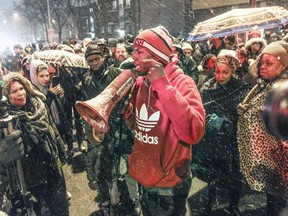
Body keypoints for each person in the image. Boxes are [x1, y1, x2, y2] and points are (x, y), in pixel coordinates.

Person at [122, 26, 206, 215]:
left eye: (139, 51)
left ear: (157, 56)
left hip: (170, 184)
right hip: (145, 178)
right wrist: (126, 113)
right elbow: (139, 128)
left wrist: (163, 86)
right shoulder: (140, 82)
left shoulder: (183, 83)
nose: (133, 55)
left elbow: (194, 132)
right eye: (134, 50)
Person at [1, 72, 69, 216]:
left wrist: (60, 154)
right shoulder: (7, 123)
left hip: (50, 165)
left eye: (21, 88)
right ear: (6, 96)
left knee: (60, 207)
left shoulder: (39, 107)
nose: (20, 93)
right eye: (14, 91)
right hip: (29, 176)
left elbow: (53, 131)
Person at [192, 49, 250, 216]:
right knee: (211, 174)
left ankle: (233, 204)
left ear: (233, 71)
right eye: (217, 71)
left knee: (234, 175)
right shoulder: (207, 88)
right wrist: (211, 118)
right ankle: (209, 203)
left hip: (231, 141)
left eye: (225, 72)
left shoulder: (241, 89)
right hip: (212, 139)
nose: (220, 76)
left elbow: (243, 117)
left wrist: (229, 119)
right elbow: (200, 110)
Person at [237, 40, 288, 216]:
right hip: (272, 162)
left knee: (279, 205)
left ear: (282, 67)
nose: (262, 67)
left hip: (279, 163)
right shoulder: (265, 86)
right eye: (261, 63)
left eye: (269, 64)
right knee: (274, 202)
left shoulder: (282, 90)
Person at [81, 44, 123, 215]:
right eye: (90, 60)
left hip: (117, 124)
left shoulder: (115, 74)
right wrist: (93, 128)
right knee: (103, 167)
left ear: (103, 57)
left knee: (120, 166)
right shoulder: (86, 80)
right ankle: (105, 200)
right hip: (99, 127)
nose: (94, 63)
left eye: (97, 59)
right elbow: (87, 105)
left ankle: (120, 200)